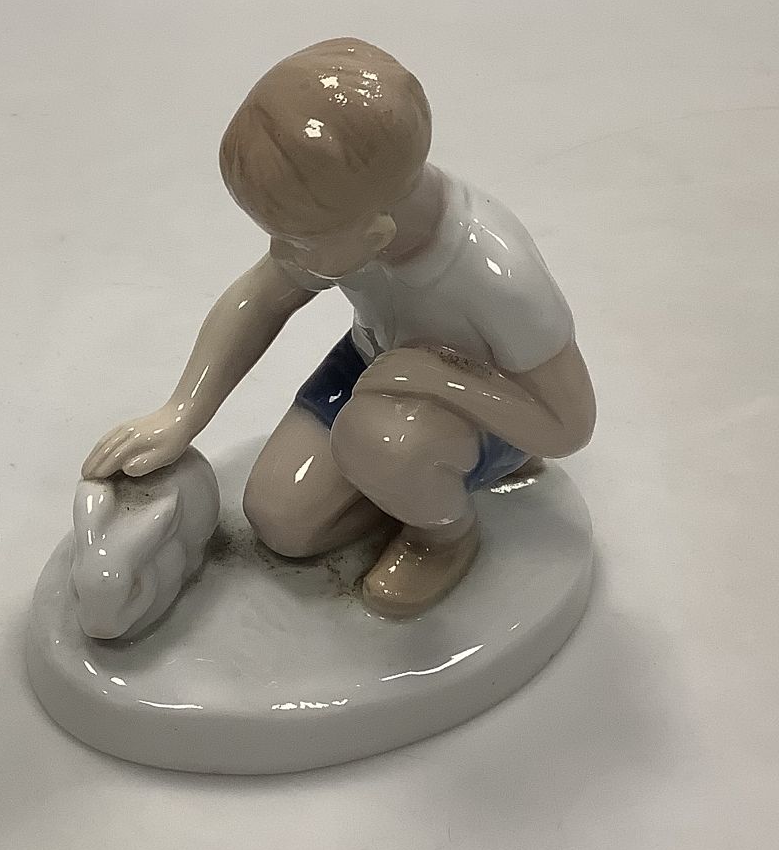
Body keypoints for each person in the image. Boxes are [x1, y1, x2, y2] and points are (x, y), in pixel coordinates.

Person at [82, 38, 596, 617]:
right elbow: (262, 298)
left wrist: (435, 379)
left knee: (380, 439)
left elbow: (569, 425)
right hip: (375, 367)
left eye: (293, 242)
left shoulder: (496, 275)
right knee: (283, 520)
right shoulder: (353, 218)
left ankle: (443, 534)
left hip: (491, 408)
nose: (281, 254)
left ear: (377, 233)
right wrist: (182, 412)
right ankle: (417, 479)